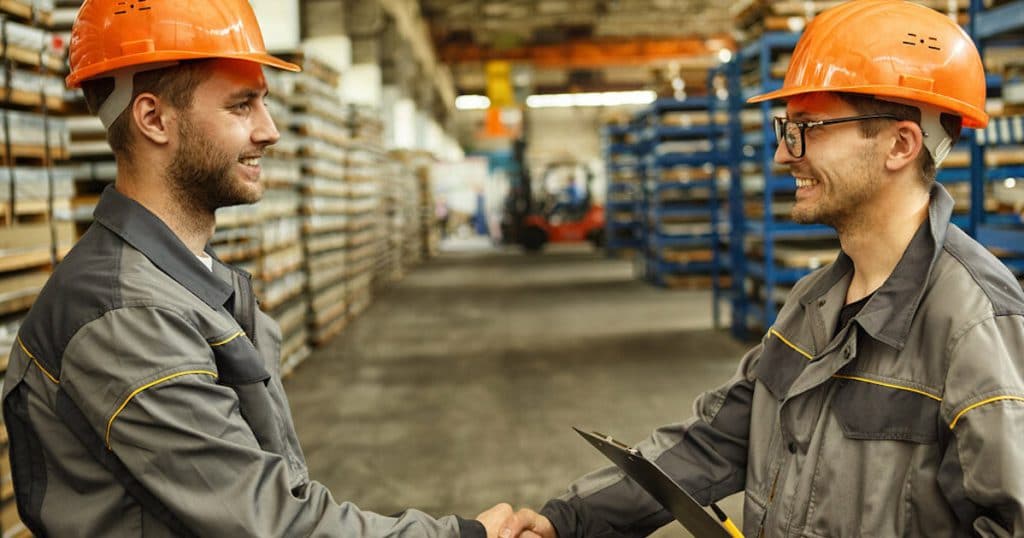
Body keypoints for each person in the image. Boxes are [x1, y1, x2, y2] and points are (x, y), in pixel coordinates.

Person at [494, 1, 1024, 536]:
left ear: (900, 144)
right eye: (785, 128)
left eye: (807, 127)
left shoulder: (975, 325)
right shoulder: (812, 302)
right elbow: (714, 442)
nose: (781, 155)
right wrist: (566, 520)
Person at [0, 0, 511, 535]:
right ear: (154, 118)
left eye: (264, 104)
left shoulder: (183, 282)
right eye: (242, 107)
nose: (269, 131)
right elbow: (273, 524)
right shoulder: (128, 315)